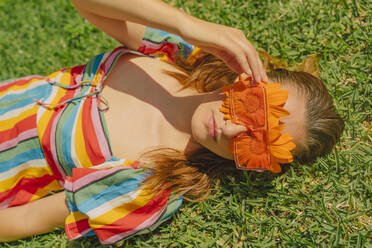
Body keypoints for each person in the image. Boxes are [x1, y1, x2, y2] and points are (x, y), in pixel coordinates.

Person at [0, 0, 344, 244]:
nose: (230, 129)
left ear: (257, 166)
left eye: (256, 143)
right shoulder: (180, 56)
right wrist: (187, 26)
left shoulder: (148, 181)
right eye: (252, 109)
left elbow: (26, 219)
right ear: (249, 79)